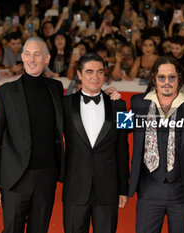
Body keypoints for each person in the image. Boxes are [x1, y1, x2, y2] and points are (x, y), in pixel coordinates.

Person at [0, 36, 65, 233]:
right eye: (27, 54)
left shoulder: (56, 88)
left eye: (37, 54)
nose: (31, 59)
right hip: (15, 179)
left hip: (46, 177)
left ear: (46, 58)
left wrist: (107, 95)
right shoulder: (4, 93)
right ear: (22, 57)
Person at [129, 56, 184, 233]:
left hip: (182, 191)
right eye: (162, 77)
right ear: (154, 78)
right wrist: (112, 101)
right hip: (149, 189)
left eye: (172, 77)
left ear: (180, 79)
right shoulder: (138, 103)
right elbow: (118, 131)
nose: (166, 82)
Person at [62, 53, 130, 233]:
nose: (95, 77)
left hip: (108, 189)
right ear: (79, 74)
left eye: (100, 72)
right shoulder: (64, 104)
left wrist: (124, 188)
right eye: (89, 71)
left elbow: (123, 148)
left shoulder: (121, 105)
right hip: (75, 189)